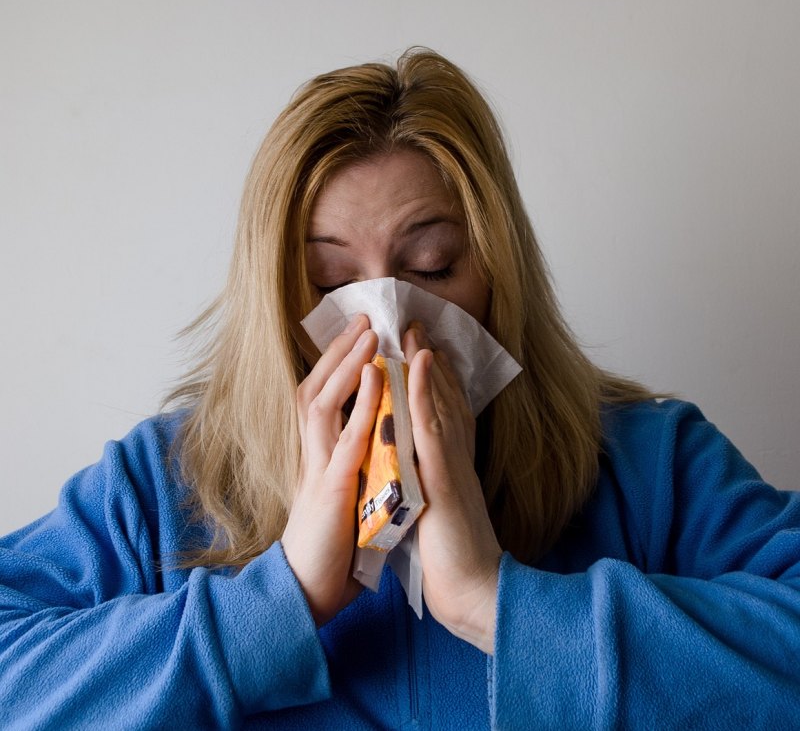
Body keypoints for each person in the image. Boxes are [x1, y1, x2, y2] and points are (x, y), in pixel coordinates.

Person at [1, 48, 799, 729]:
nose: (383, 321)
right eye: (330, 281)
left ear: (497, 273)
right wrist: (278, 604)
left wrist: (498, 604)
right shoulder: (164, 483)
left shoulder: (647, 463)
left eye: (429, 269)